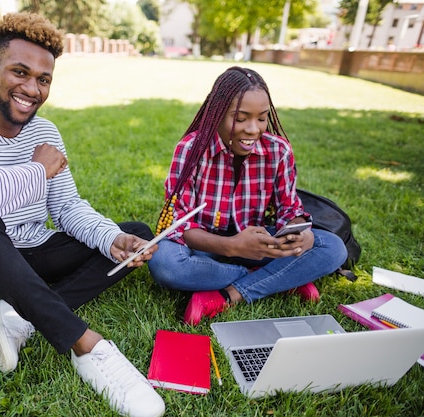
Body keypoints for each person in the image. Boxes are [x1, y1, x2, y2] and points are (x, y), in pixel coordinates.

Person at [0, 12, 165, 417]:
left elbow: (66, 208)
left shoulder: (45, 133)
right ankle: (87, 347)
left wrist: (110, 239)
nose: (31, 88)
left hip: (31, 254)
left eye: (43, 79)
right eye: (19, 72)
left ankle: (21, 316)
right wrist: (35, 171)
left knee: (131, 233)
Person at [148, 66, 347, 326]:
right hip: (204, 250)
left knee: (332, 247)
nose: (253, 129)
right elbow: (179, 225)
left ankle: (231, 294)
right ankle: (277, 278)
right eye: (240, 119)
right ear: (216, 114)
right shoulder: (191, 150)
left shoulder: (278, 151)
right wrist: (232, 246)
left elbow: (290, 209)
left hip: (258, 245)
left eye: (262, 118)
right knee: (164, 263)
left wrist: (301, 233)